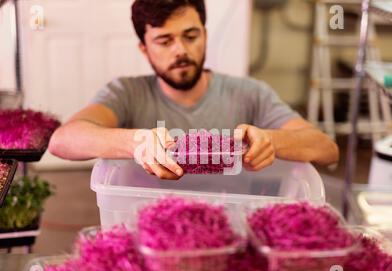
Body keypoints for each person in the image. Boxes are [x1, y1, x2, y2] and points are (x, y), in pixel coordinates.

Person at [49, 0, 339, 180]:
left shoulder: (250, 93)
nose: (181, 51)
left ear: (205, 35)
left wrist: (271, 141)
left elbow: (327, 149)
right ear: (144, 48)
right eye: (164, 41)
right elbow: (63, 140)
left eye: (191, 36)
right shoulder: (126, 93)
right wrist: (138, 142)